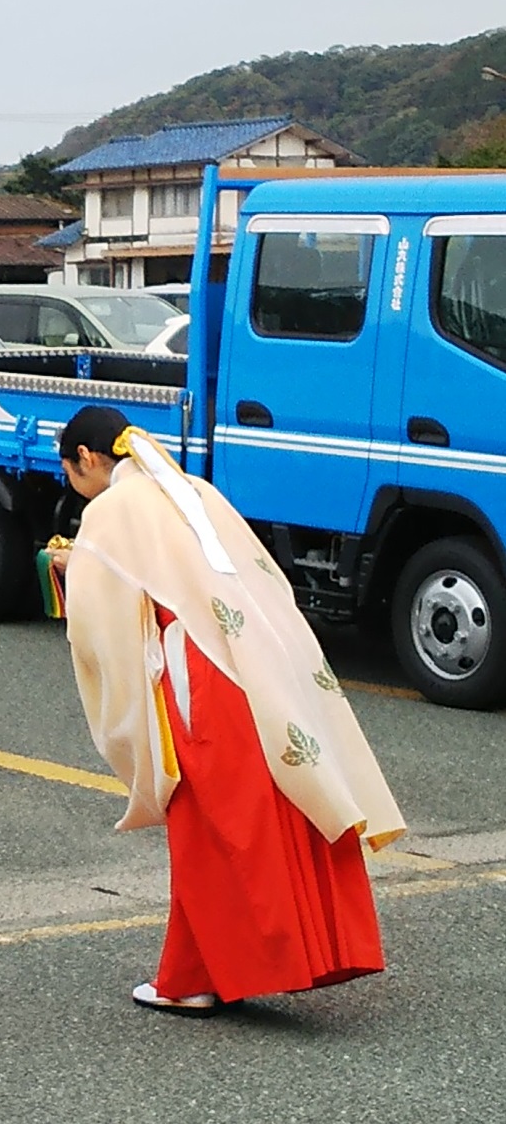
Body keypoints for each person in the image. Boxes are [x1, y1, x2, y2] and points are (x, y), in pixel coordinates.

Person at [54, 404, 405, 1015]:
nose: (75, 486)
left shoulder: (110, 510)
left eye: (71, 473)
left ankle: (200, 976)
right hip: (252, 657)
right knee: (258, 809)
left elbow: (99, 611)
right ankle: (220, 967)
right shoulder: (191, 488)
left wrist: (66, 565)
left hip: (194, 670)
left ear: (86, 458)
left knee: (208, 820)